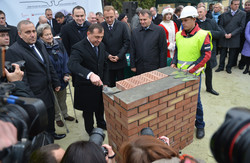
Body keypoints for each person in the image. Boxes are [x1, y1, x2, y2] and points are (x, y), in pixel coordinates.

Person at [5, 20, 66, 140]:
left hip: (48, 90)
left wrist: (55, 81)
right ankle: (45, 142)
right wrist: (31, 99)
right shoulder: (14, 51)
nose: (32, 34)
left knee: (50, 115)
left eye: (33, 31)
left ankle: (52, 134)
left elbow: (48, 65)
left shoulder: (40, 44)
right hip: (34, 95)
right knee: (40, 122)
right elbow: (21, 79)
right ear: (20, 34)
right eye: (28, 32)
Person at [171, 6, 212, 139]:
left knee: (196, 101)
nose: (183, 23)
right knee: (180, 98)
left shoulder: (203, 34)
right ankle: (183, 122)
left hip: (194, 75)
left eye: (186, 20)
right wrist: (173, 62)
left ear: (194, 19)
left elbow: (206, 55)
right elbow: (177, 51)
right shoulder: (179, 34)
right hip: (179, 73)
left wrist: (191, 70)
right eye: (182, 20)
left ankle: (200, 125)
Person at [67, 24, 108, 135]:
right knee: (88, 112)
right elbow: (72, 64)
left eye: (101, 37)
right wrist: (90, 75)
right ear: (88, 34)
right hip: (86, 87)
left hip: (99, 86)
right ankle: (90, 130)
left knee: (100, 107)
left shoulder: (102, 45)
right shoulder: (78, 47)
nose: (99, 40)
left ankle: (101, 123)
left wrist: (105, 82)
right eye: (96, 37)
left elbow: (104, 64)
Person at [37, 24, 75, 127]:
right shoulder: (40, 48)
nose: (49, 37)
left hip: (62, 76)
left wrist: (66, 73)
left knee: (62, 98)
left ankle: (65, 114)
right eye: (46, 35)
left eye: (50, 34)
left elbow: (66, 58)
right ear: (41, 37)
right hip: (52, 79)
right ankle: (57, 117)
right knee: (54, 100)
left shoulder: (59, 43)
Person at [130, 9, 167, 75]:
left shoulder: (159, 30)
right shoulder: (135, 32)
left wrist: (162, 68)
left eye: (144, 19)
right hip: (140, 67)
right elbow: (132, 49)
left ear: (150, 18)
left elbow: (163, 50)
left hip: (154, 67)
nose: (142, 22)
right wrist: (133, 65)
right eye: (140, 20)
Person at [197, 6, 223, 96]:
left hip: (208, 51)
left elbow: (220, 33)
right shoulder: (194, 23)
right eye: (198, 12)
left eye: (200, 12)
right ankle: (194, 90)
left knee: (209, 70)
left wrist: (207, 32)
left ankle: (209, 88)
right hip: (197, 52)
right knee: (196, 71)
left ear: (205, 12)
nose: (199, 14)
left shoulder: (211, 22)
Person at [101, 6, 130, 87]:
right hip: (107, 63)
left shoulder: (122, 25)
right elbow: (99, 44)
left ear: (115, 15)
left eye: (111, 17)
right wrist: (108, 55)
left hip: (120, 61)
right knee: (109, 86)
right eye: (107, 17)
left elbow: (127, 42)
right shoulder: (100, 26)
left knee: (121, 86)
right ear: (103, 17)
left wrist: (119, 56)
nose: (109, 19)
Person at [215, 0, 246, 74]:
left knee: (232, 54)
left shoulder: (242, 14)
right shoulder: (224, 14)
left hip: (234, 37)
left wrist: (231, 34)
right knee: (223, 53)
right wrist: (225, 33)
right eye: (235, 4)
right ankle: (221, 67)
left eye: (238, 4)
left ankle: (229, 67)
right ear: (231, 5)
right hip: (224, 36)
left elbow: (241, 26)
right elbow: (220, 26)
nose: (237, 6)